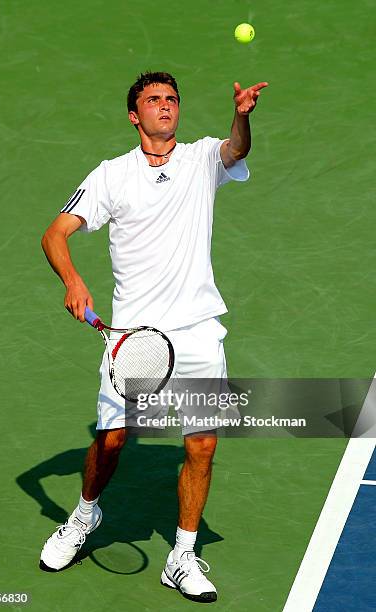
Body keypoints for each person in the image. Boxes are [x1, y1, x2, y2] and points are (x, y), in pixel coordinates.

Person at [40, 71, 268, 603]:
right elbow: (55, 233)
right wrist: (73, 280)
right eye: (152, 100)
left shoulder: (200, 159)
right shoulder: (111, 176)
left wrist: (242, 115)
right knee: (113, 440)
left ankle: (182, 555)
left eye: (171, 99)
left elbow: (237, 147)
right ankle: (84, 515)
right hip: (133, 337)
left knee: (203, 445)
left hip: (197, 330)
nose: (164, 107)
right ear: (134, 116)